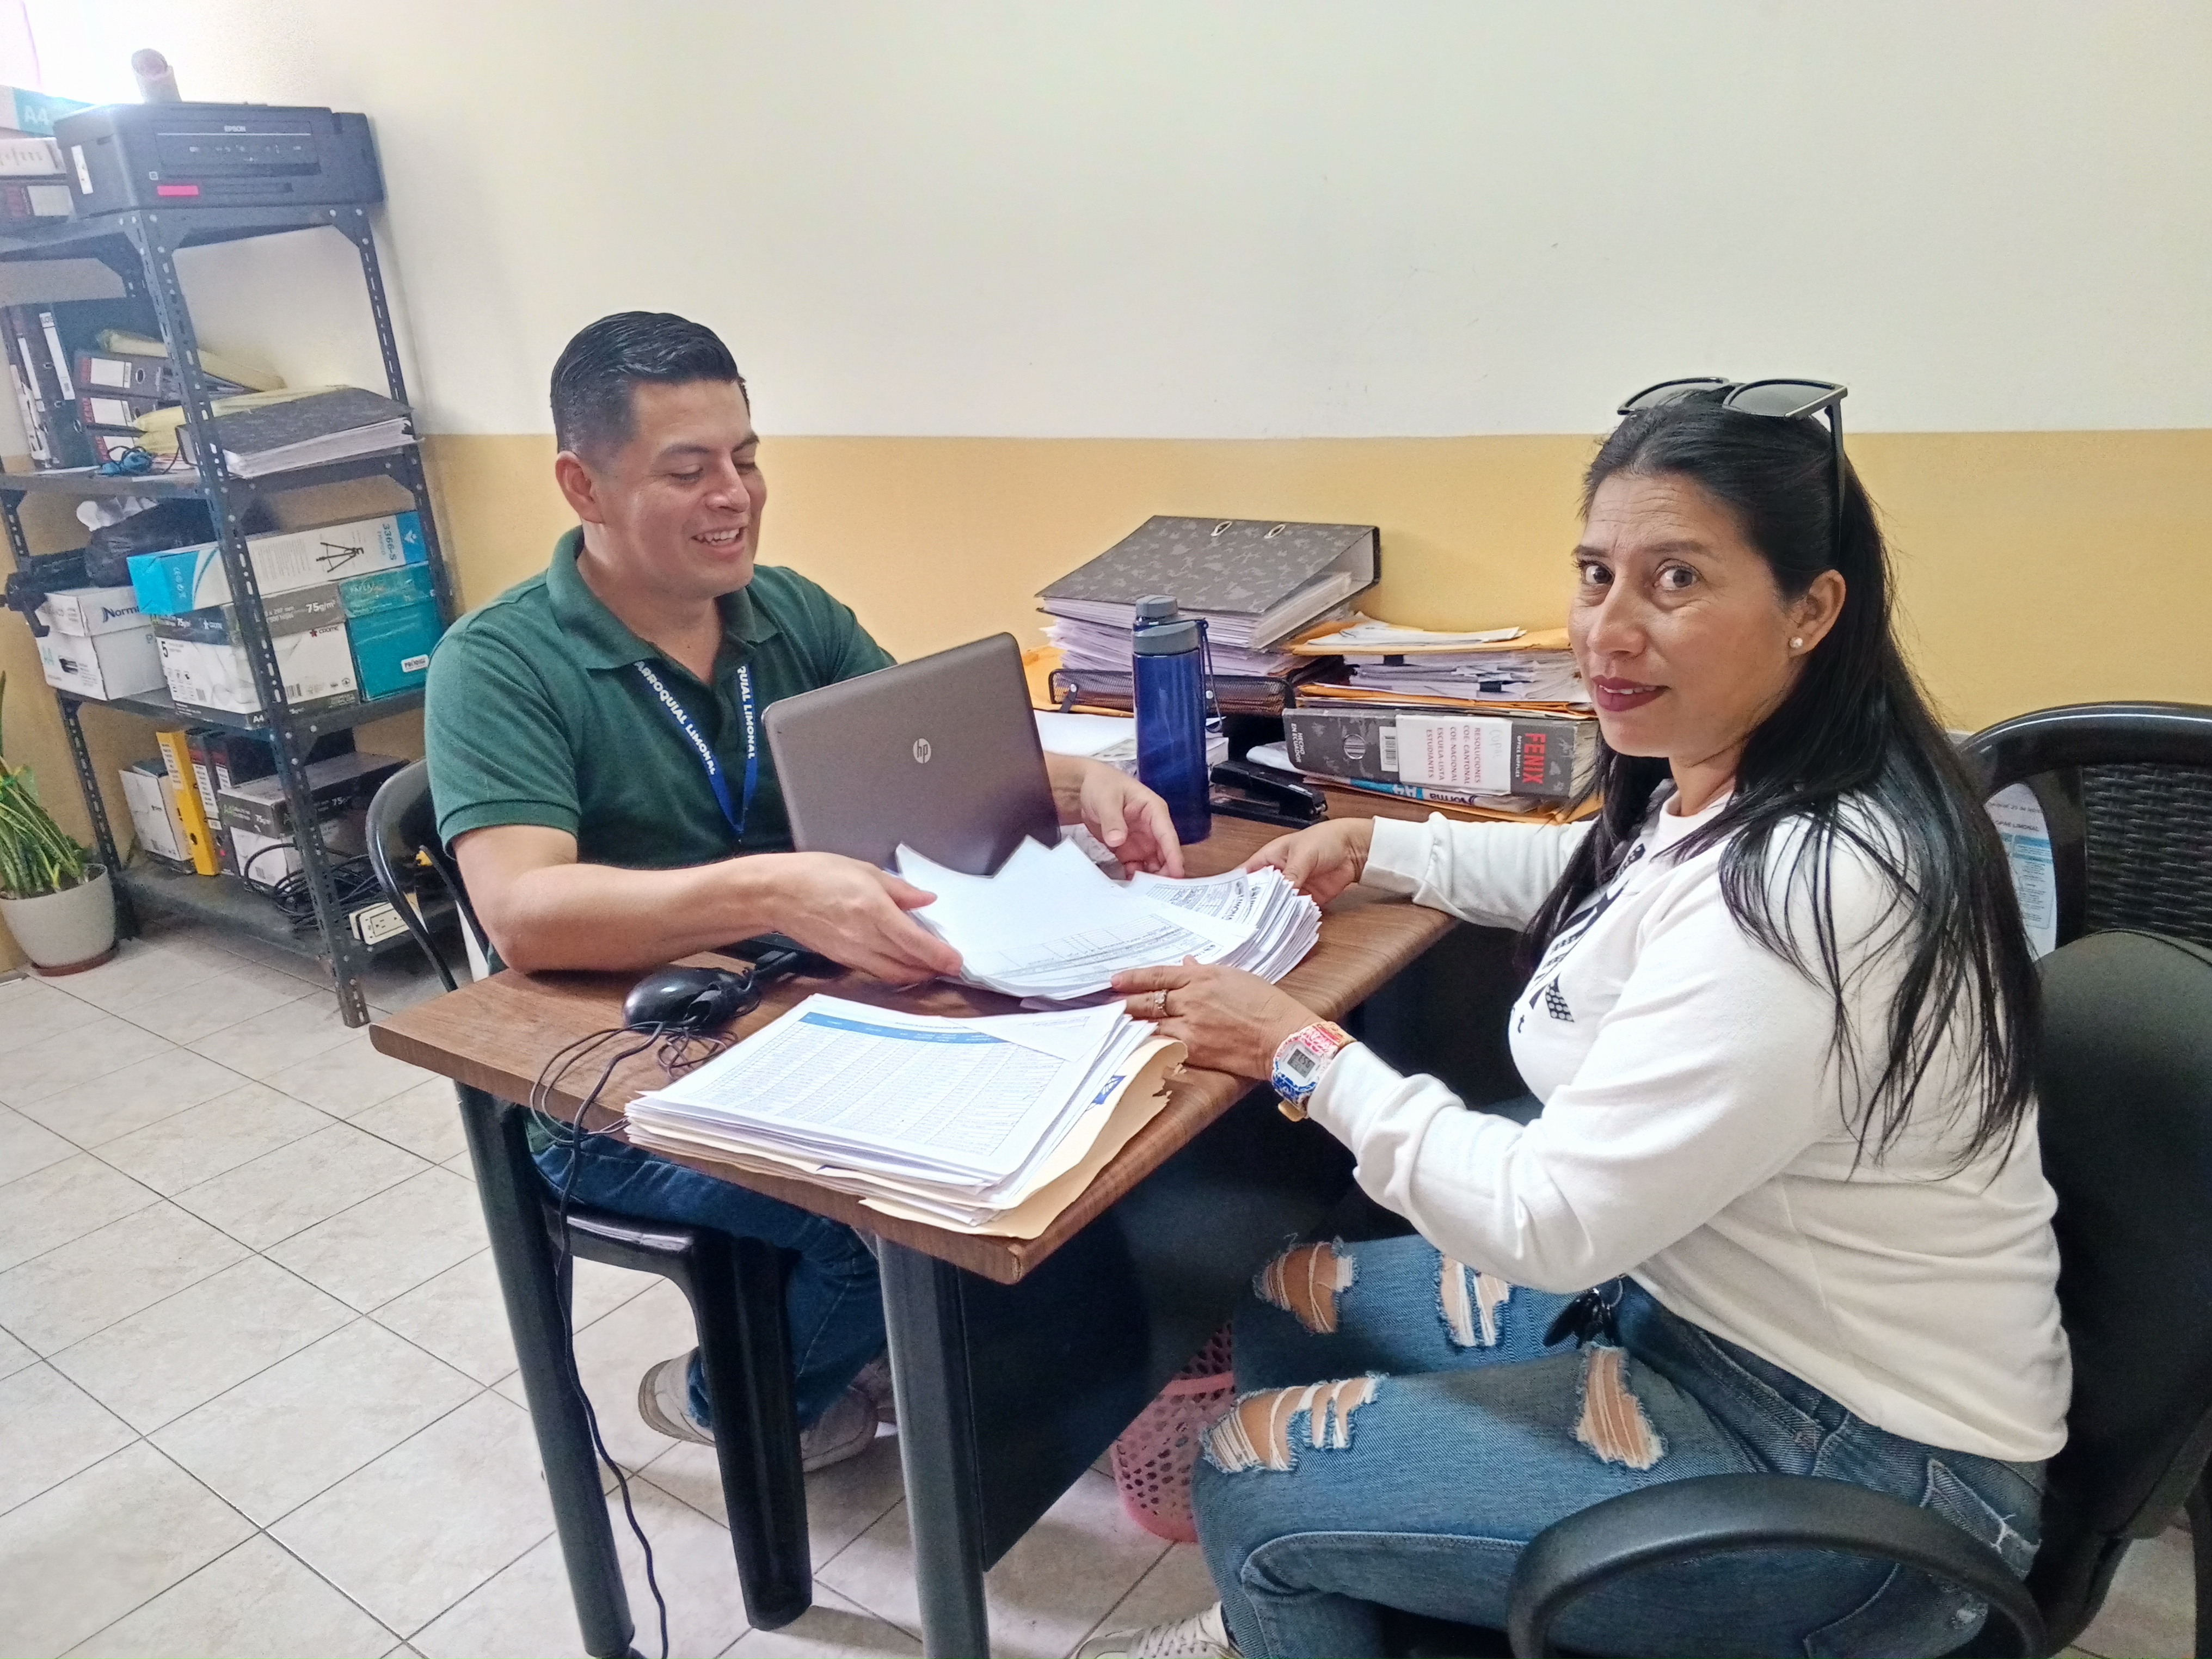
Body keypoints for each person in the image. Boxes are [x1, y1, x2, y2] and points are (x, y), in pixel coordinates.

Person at [1082, 380, 2066, 1659]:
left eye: (1676, 581)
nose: (1608, 628)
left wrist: (1297, 1052)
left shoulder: (1812, 890)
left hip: (1855, 1467)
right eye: (1597, 574)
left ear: (1811, 609)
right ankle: (1317, 1598)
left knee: (1248, 1478)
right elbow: (1617, 881)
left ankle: (1287, 1564)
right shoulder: (1751, 784)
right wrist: (1381, 845)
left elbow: (1548, 1224)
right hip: (1699, 1314)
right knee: (1287, 1296)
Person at [426, 311, 1183, 1471]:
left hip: (812, 1013)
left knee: (1088, 1119)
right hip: (623, 1087)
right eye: (687, 469)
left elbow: (928, 754)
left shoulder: (787, 611)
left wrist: (1086, 785)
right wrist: (771, 893)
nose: (734, 495)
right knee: (877, 1228)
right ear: (583, 485)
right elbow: (523, 913)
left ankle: (945, 1368)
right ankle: (734, 1405)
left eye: (745, 456)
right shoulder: (498, 665)